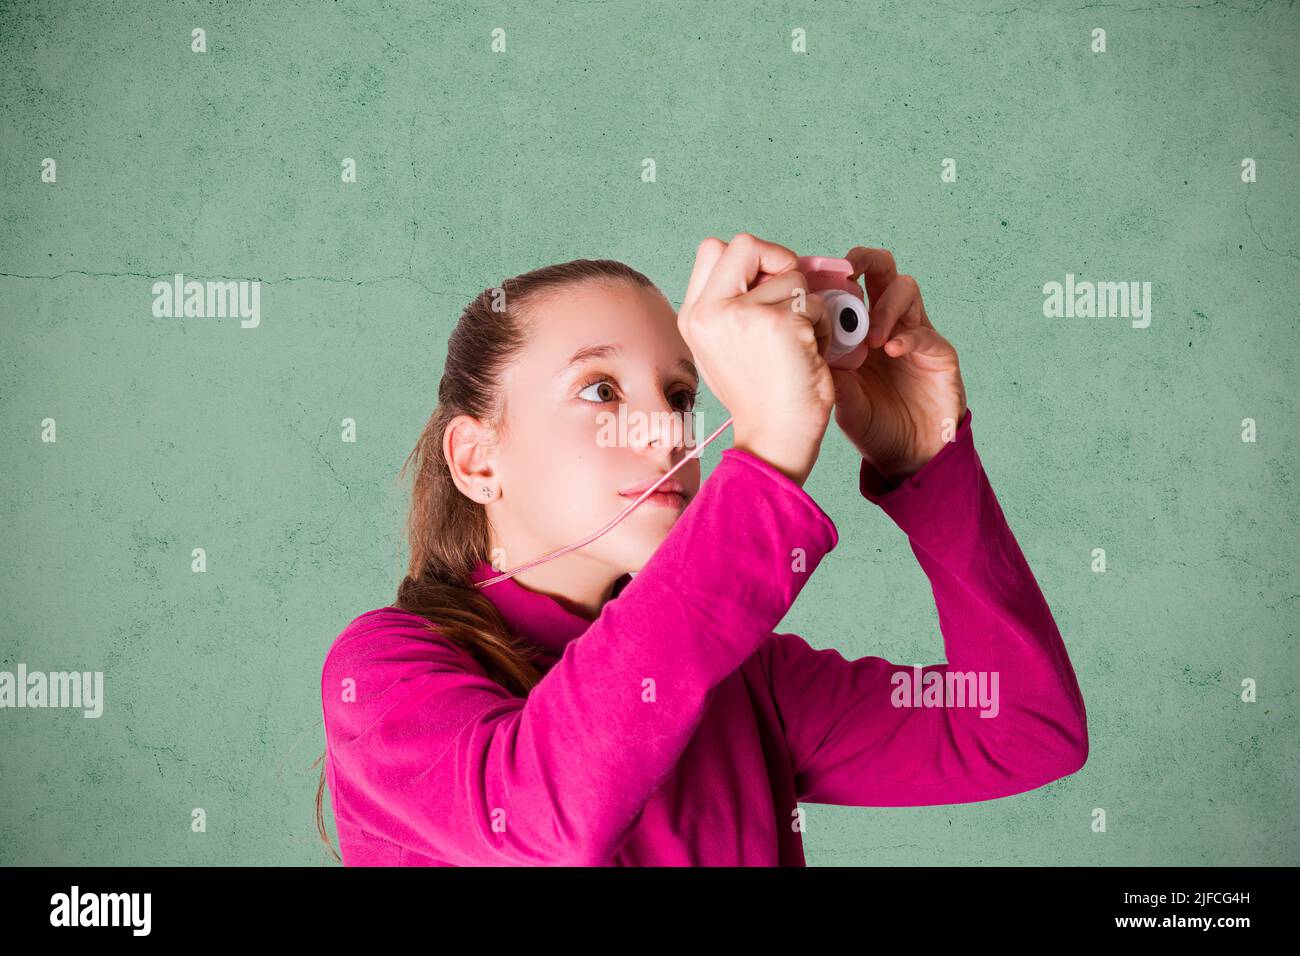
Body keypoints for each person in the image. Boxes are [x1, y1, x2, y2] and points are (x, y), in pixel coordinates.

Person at [314, 233, 1089, 866]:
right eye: (600, 390)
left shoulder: (742, 682)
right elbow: (549, 818)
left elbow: (1023, 729)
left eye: (681, 396)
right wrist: (770, 444)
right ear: (477, 460)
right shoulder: (385, 674)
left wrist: (929, 464)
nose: (669, 434)